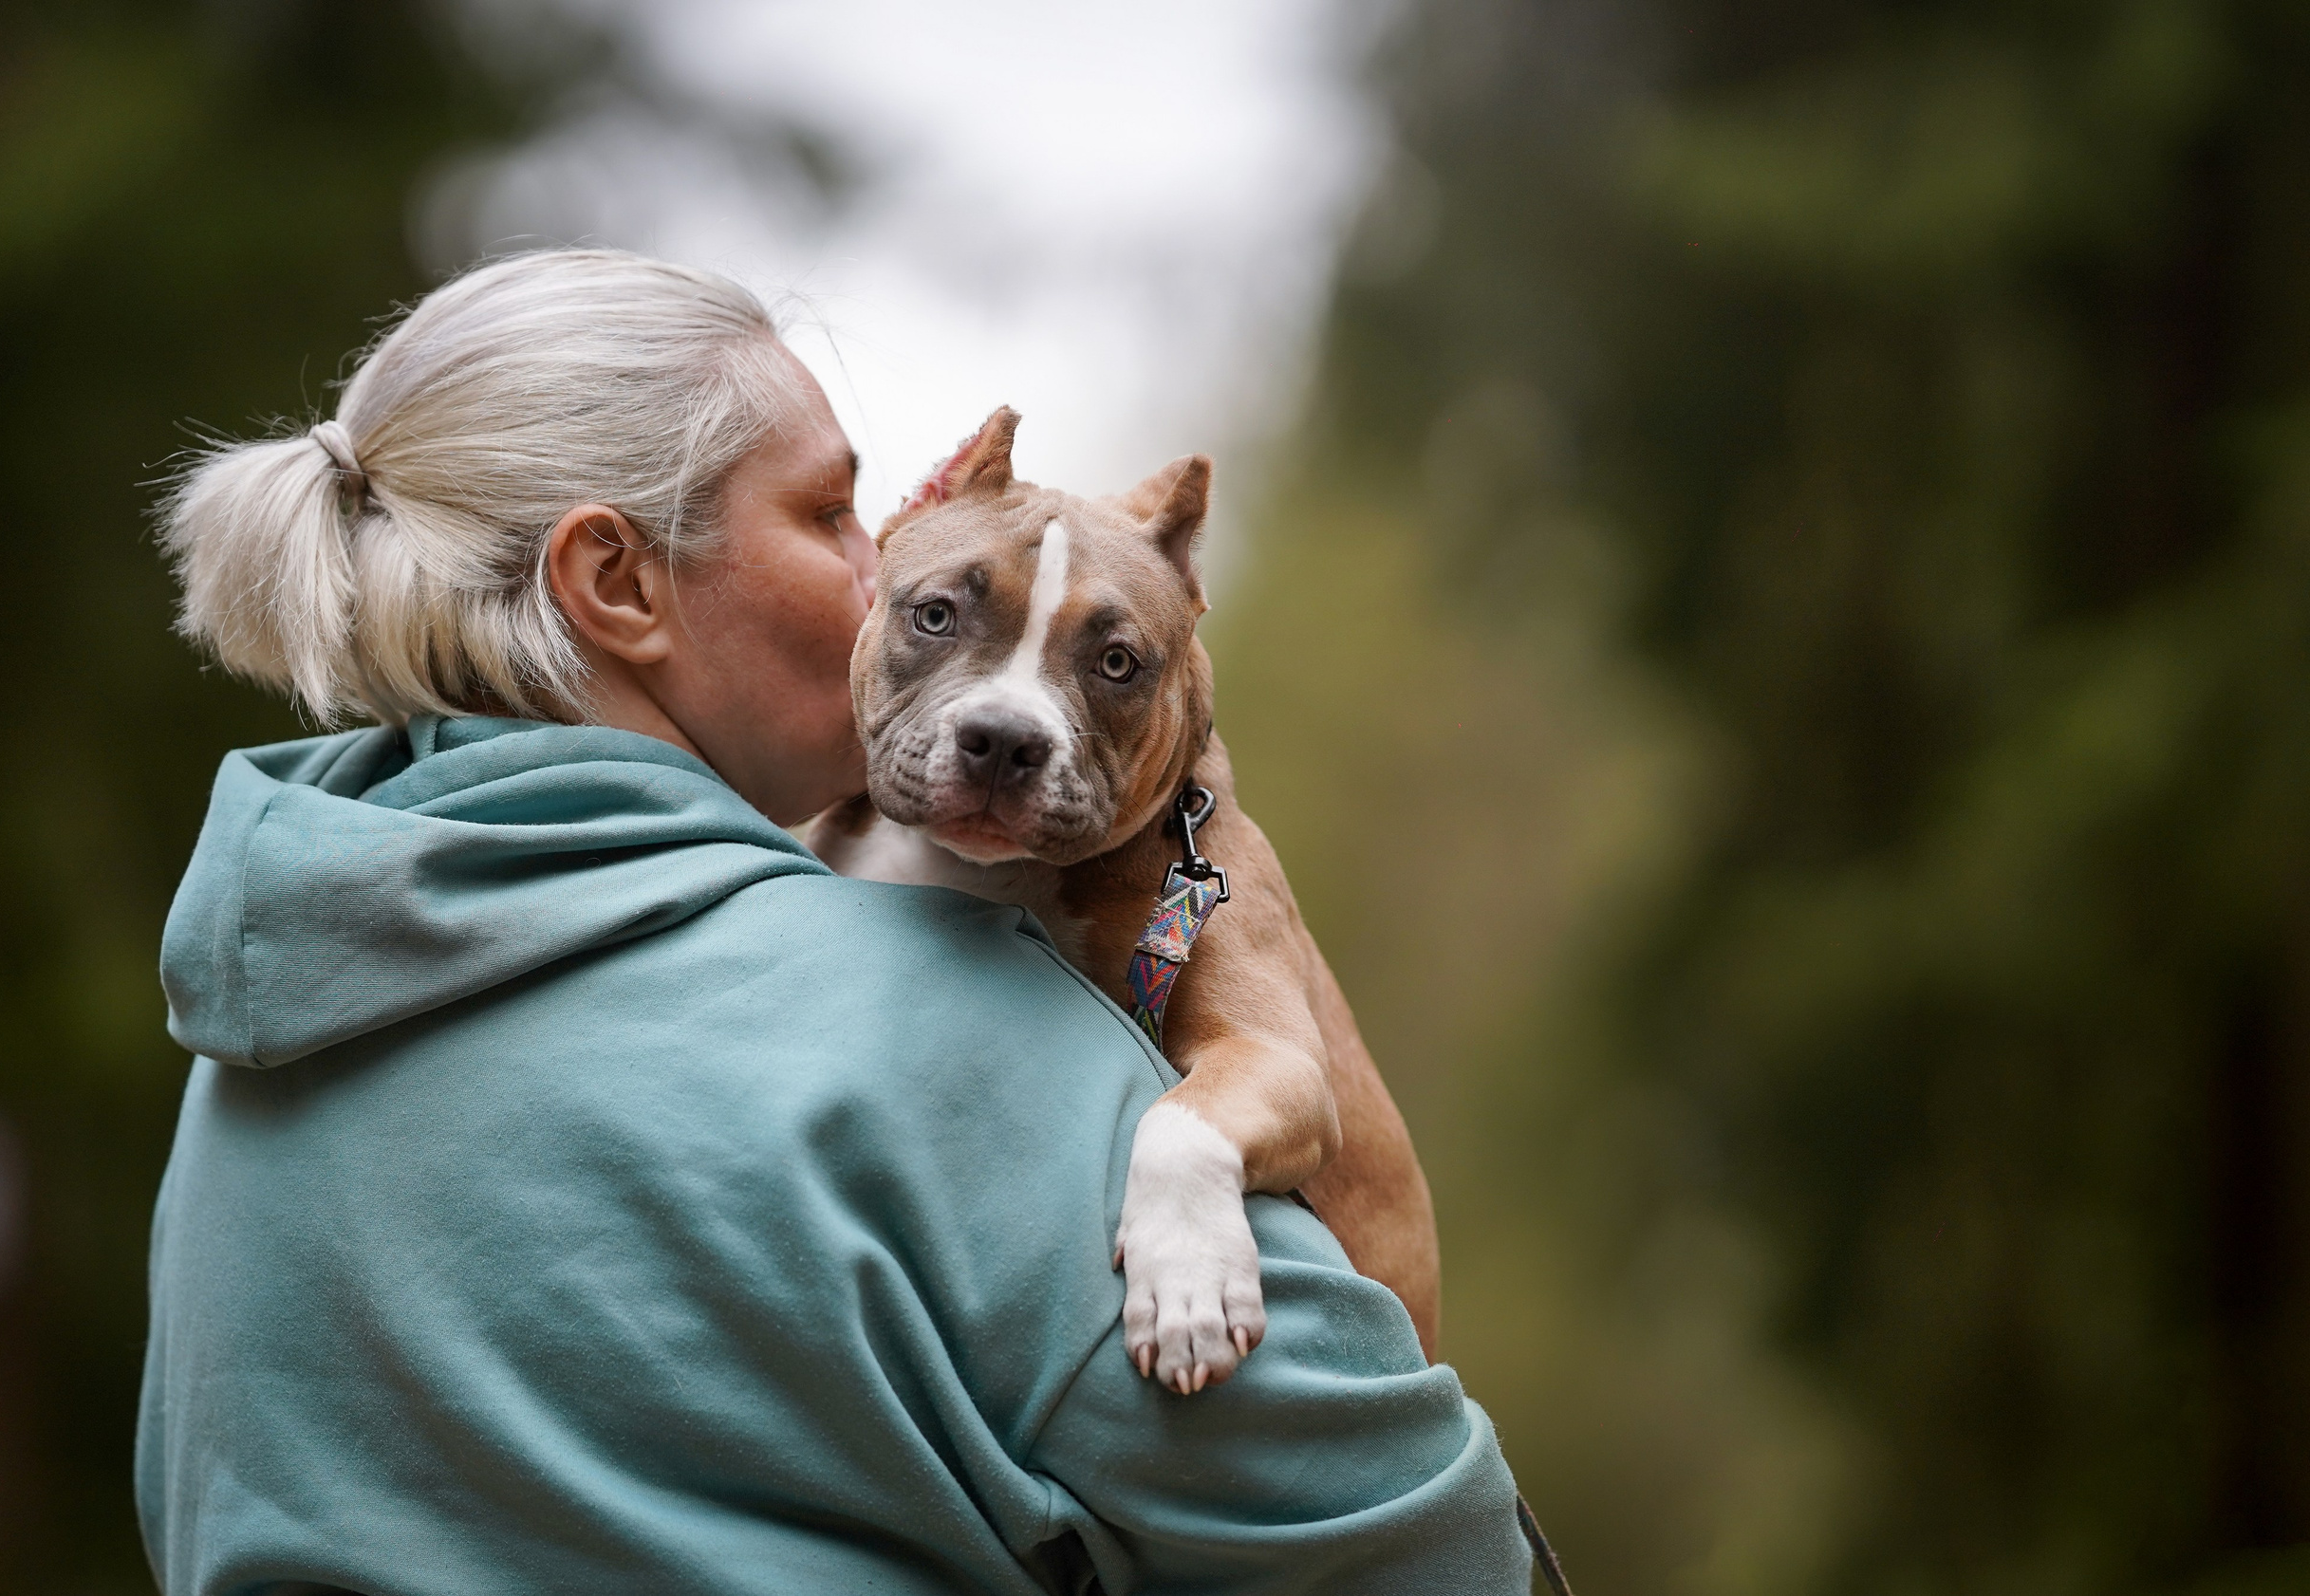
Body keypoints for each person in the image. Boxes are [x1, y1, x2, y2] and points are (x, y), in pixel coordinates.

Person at [140, 248, 1532, 1594]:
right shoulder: (952, 1042)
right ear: (615, 583)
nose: (879, 569)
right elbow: (1424, 1542)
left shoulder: (243, 1057)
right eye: (829, 516)